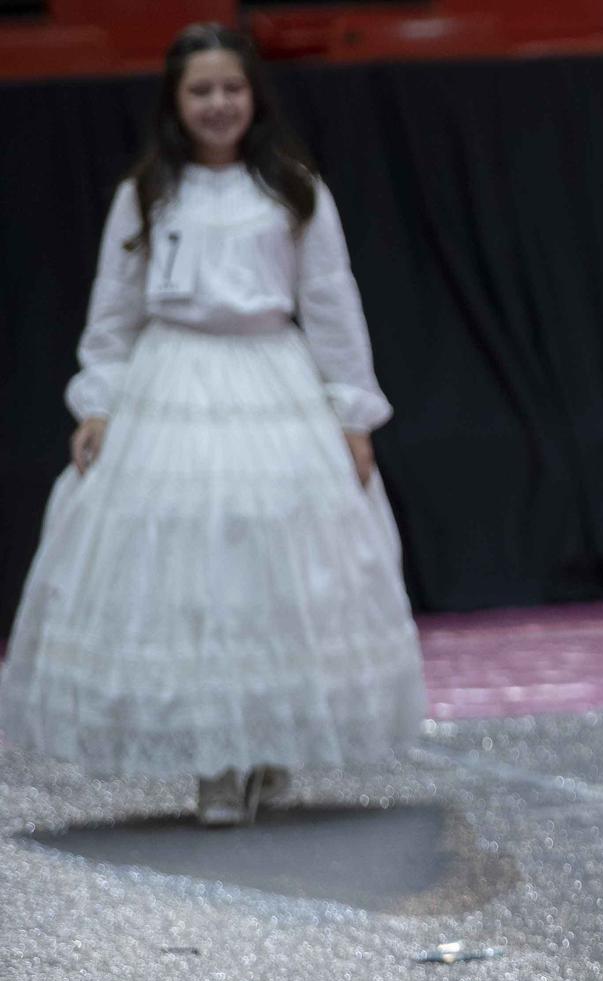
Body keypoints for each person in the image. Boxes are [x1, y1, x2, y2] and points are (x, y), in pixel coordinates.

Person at [0, 23, 426, 826]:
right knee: (191, 570)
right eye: (201, 91)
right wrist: (98, 402)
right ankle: (214, 760)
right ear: (175, 102)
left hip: (274, 382)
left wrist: (353, 413)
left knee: (275, 564)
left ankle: (267, 742)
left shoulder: (293, 190)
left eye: (231, 88)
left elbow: (332, 302)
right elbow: (114, 305)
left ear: (254, 95)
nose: (218, 103)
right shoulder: (149, 193)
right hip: (173, 383)